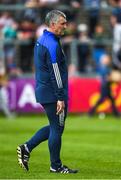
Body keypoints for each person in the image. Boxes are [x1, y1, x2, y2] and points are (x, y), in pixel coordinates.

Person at [17, 10, 78, 174]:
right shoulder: (51, 44)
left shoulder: (43, 39)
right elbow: (55, 72)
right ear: (52, 24)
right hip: (53, 93)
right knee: (57, 129)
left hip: (45, 90)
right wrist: (60, 97)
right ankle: (55, 166)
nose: (65, 26)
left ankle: (26, 148)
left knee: (55, 127)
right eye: (62, 23)